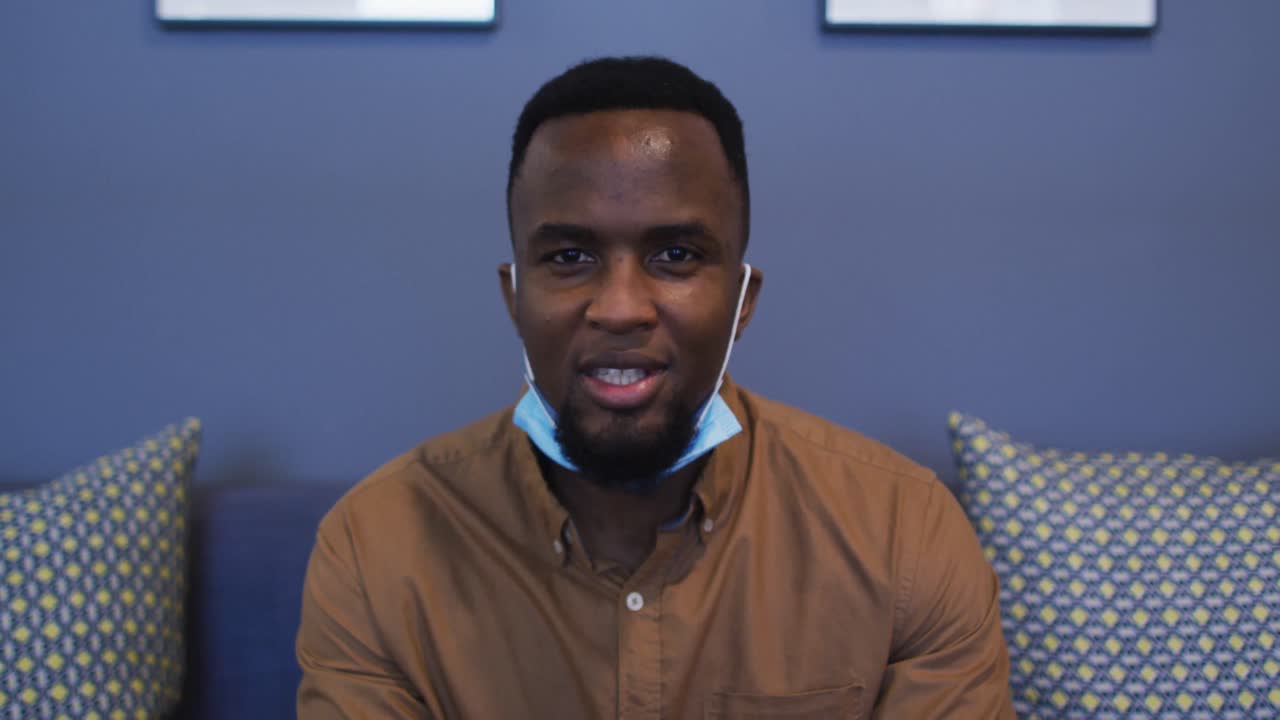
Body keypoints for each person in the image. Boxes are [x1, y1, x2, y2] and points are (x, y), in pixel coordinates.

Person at [296, 56, 1014, 719]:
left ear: (743, 300)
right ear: (514, 297)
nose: (620, 309)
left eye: (675, 254)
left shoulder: (903, 537)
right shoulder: (375, 550)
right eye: (569, 256)